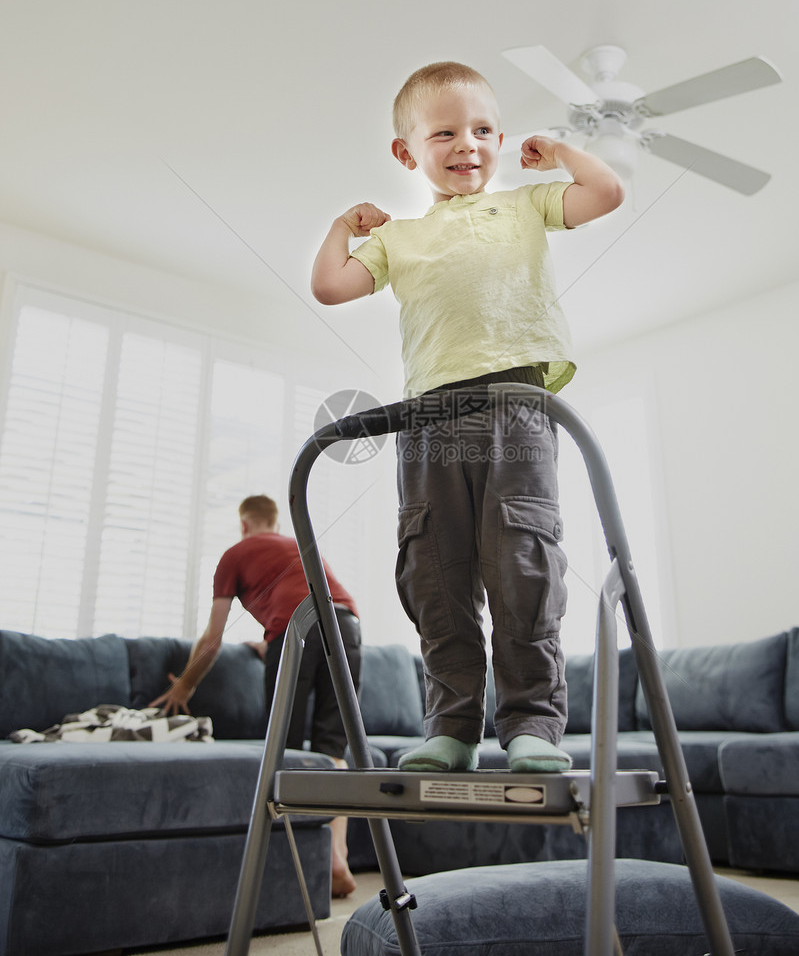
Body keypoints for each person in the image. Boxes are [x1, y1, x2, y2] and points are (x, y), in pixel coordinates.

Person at [311, 61, 624, 775]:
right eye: (445, 131)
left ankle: (532, 726)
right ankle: (451, 727)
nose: (468, 144)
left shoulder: (525, 206)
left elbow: (605, 192)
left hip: (517, 405)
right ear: (407, 152)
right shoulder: (399, 239)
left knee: (522, 561)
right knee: (435, 571)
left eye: (483, 130)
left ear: (502, 139)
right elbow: (331, 285)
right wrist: (341, 227)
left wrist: (563, 151)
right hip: (430, 416)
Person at [150, 494, 362, 897]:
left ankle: (294, 868)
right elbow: (314, 604)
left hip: (296, 631)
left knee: (285, 752)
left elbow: (213, 639)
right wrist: (272, 642)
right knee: (334, 748)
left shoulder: (235, 554)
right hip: (347, 623)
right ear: (275, 523)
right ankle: (339, 856)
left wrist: (184, 686)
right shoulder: (297, 546)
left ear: (244, 524)